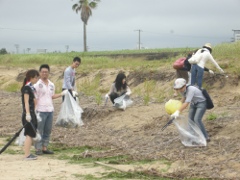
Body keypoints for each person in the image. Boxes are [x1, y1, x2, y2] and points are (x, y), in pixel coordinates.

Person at [34, 64, 67, 155]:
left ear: (49, 73)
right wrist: (34, 111)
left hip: (50, 110)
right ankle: (38, 148)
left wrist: (61, 94)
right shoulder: (37, 85)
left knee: (48, 130)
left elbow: (52, 96)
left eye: (46, 72)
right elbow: (35, 98)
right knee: (39, 130)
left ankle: (45, 147)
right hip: (40, 110)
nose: (44, 73)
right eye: (43, 72)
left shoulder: (51, 84)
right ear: (40, 73)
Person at [21, 69, 39, 160]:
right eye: (35, 77)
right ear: (30, 78)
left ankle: (28, 153)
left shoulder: (32, 88)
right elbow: (26, 102)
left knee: (31, 134)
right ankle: (26, 155)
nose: (37, 79)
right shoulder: (26, 88)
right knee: (29, 134)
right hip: (28, 114)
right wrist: (28, 114)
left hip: (32, 113)